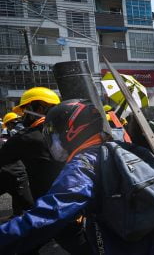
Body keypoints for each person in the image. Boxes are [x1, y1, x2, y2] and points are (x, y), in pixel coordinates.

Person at [0, 99, 154, 254]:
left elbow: (50, 213)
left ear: (73, 130)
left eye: (55, 132)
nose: (54, 139)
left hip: (115, 243)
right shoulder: (115, 146)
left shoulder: (84, 163)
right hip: (142, 239)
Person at [0, 87, 91, 254]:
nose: (23, 117)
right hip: (73, 203)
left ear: (40, 108)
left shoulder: (27, 138)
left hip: (49, 209)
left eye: (25, 111)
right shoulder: (72, 134)